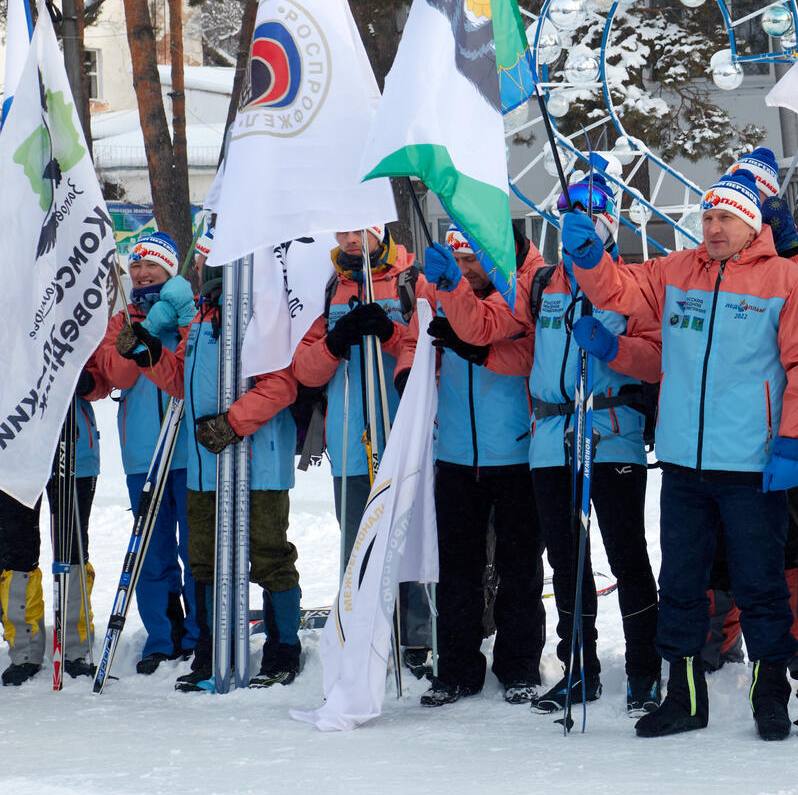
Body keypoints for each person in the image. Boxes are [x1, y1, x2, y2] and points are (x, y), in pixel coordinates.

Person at [562, 167, 798, 741]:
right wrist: (589, 259)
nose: (712, 228)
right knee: (682, 585)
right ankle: (684, 697)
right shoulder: (675, 270)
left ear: (751, 222)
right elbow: (619, 289)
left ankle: (771, 696)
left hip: (752, 466)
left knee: (760, 586)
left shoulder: (789, 280)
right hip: (685, 464)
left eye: (724, 217)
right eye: (706, 217)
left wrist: (790, 442)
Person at [498, 174, 664, 717]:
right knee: (566, 562)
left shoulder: (633, 281)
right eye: (569, 211)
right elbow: (522, 352)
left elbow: (656, 358)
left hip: (610, 435)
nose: (577, 220)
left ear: (608, 222)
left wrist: (615, 348)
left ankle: (643, 671)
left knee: (626, 555)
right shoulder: (545, 282)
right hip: (550, 439)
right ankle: (580, 669)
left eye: (590, 212)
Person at [115, 259, 305, 690]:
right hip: (205, 463)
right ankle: (210, 652)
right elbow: (181, 379)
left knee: (269, 554)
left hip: (258, 461)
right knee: (205, 558)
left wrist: (233, 422)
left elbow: (281, 383)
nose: (211, 270)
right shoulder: (201, 315)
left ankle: (282, 651)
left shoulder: (264, 310)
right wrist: (149, 353)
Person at [701, 147, 798, 689]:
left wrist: (792, 245)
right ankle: (717, 640)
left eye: (758, 196)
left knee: (795, 539)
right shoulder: (711, 261)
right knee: (717, 541)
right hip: (724, 436)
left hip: (790, 432)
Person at [406, 225, 546, 708]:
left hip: (516, 451)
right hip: (456, 452)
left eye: (473, 262)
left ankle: (520, 665)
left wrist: (474, 349)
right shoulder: (438, 284)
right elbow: (413, 335)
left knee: (518, 568)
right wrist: (410, 367)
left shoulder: (524, 283)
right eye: (458, 262)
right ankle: (459, 668)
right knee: (457, 569)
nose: (465, 271)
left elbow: (501, 338)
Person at [290, 224, 433, 679]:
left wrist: (389, 333)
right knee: (359, 546)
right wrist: (335, 342)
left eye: (359, 231)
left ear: (379, 230)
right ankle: (362, 631)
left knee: (407, 539)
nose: (350, 240)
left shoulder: (411, 280)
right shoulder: (331, 286)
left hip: (402, 435)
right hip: (351, 443)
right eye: (343, 232)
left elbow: (425, 345)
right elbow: (306, 369)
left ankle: (417, 638)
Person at [90, 231, 199, 675]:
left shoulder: (192, 316)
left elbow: (200, 366)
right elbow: (116, 375)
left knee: (196, 550)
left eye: (152, 265)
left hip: (190, 452)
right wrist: (146, 327)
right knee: (151, 553)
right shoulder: (123, 320)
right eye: (135, 266)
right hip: (142, 454)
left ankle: (197, 635)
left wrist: (182, 315)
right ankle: (161, 636)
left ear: (170, 270)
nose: (142, 272)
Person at [0, 367, 109, 685]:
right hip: (16, 448)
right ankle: (24, 651)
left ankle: (75, 648)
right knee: (17, 552)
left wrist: (85, 379)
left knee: (72, 547)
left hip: (75, 447)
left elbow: (107, 377)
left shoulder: (75, 318)